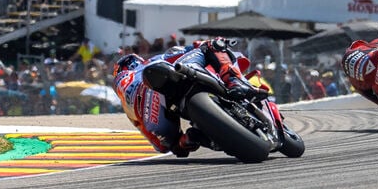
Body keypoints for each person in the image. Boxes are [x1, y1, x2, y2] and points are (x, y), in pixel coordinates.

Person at [111, 37, 268, 158]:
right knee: (210, 45)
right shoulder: (146, 64)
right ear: (133, 62)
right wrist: (205, 43)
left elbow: (159, 144)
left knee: (176, 146)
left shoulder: (126, 103)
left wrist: (173, 144)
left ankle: (193, 138)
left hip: (155, 121)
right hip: (163, 82)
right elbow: (179, 52)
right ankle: (233, 81)